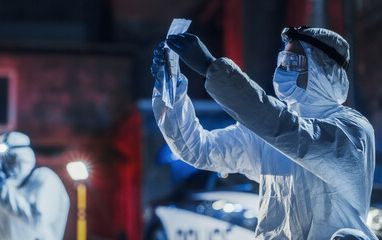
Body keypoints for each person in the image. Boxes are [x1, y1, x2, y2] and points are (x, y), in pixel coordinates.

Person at [151, 26, 377, 239]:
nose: (282, 70)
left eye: (293, 62)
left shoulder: (351, 130)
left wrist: (212, 68)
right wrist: (170, 90)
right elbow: (197, 149)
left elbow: (290, 132)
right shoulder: (269, 132)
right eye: (282, 61)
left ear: (323, 70)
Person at [0, 131, 70, 240]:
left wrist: (1, 190)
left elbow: (36, 222)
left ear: (24, 158)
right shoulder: (0, 185)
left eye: (11, 160)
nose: (5, 166)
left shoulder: (45, 179)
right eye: (3, 161)